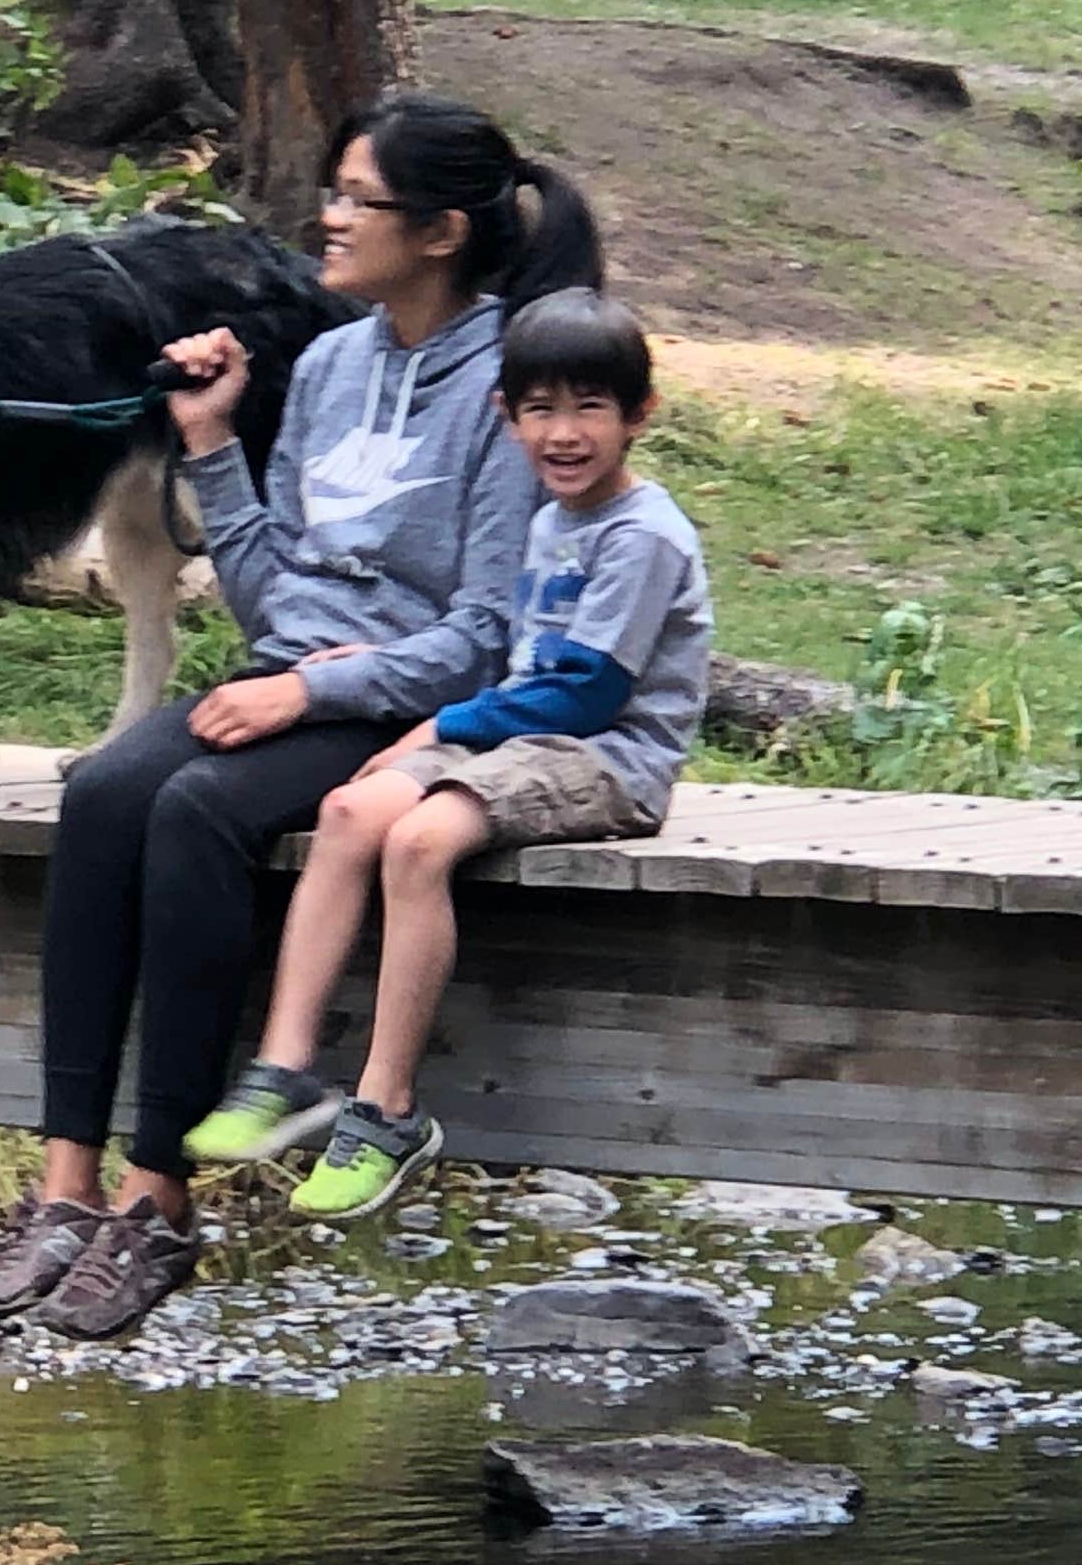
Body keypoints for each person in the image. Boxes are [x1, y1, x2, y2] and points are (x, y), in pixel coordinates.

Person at [0, 96, 602, 1340]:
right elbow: (272, 599)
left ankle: (158, 1198)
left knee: (200, 810)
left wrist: (313, 688)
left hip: (418, 708)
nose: (330, 215)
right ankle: (64, 1189)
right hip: (297, 682)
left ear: (440, 232)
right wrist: (210, 445)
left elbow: (481, 633)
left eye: (360, 198)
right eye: (339, 190)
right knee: (102, 792)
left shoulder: (507, 393)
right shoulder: (325, 366)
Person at [192, 289, 709, 1216]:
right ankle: (284, 1070)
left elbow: (585, 692)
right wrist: (384, 667)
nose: (564, 432)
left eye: (590, 407)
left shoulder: (642, 536)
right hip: (523, 740)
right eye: (540, 409)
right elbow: (509, 647)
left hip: (609, 756)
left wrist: (438, 729)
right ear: (505, 416)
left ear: (639, 417)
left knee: (421, 839)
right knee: (352, 811)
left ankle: (386, 1108)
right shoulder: (550, 519)